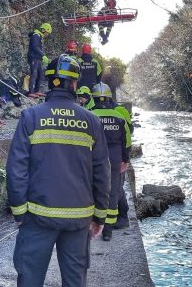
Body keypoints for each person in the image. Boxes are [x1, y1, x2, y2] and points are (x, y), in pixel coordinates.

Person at [7, 54, 110, 287]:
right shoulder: (92, 121)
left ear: (48, 80)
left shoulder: (31, 116)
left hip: (37, 218)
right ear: (75, 84)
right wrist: (100, 216)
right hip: (78, 219)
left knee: (30, 279)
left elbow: (16, 168)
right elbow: (102, 172)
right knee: (75, 281)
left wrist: (19, 213)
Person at [89, 82, 130, 241]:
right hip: (114, 158)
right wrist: (125, 160)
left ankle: (95, 223)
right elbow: (127, 141)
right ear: (109, 98)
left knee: (94, 189)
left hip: (94, 157)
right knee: (113, 192)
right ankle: (108, 231)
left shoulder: (89, 115)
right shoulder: (119, 116)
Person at [27, 22, 52, 98]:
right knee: (34, 74)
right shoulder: (36, 35)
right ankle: (31, 92)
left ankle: (37, 90)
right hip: (33, 57)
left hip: (38, 58)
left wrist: (41, 57)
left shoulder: (39, 36)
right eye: (47, 32)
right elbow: (35, 47)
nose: (47, 34)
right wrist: (43, 55)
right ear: (43, 30)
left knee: (40, 74)